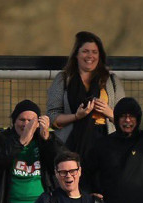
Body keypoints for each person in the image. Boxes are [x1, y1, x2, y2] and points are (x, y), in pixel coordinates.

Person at [47, 31, 124, 159]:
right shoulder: (63, 79)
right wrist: (77, 116)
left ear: (100, 55)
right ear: (76, 54)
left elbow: (125, 117)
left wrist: (109, 112)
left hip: (105, 140)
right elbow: (52, 117)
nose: (90, 56)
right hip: (71, 142)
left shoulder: (112, 80)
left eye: (94, 52)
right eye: (85, 51)